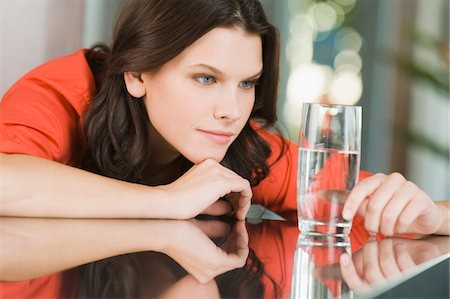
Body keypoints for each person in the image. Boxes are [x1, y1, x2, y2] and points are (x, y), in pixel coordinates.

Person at [0, 0, 448, 237]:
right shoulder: (65, 91)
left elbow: (366, 203)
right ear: (135, 72)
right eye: (205, 79)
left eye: (247, 83)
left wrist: (430, 216)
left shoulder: (239, 146)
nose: (231, 111)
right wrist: (167, 203)